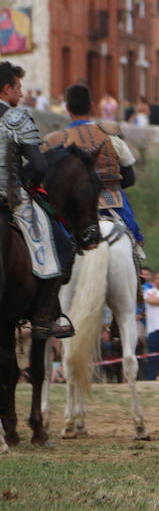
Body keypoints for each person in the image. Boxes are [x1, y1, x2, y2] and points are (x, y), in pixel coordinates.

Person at [0, 61, 75, 339]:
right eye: (18, 87)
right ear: (7, 88)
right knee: (62, 242)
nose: (20, 94)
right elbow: (40, 166)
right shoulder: (19, 119)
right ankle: (44, 316)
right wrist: (29, 183)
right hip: (11, 197)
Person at [44, 84, 144, 245]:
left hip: (74, 209)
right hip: (113, 201)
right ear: (92, 106)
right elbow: (130, 178)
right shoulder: (110, 135)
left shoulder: (56, 142)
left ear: (68, 108)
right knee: (134, 240)